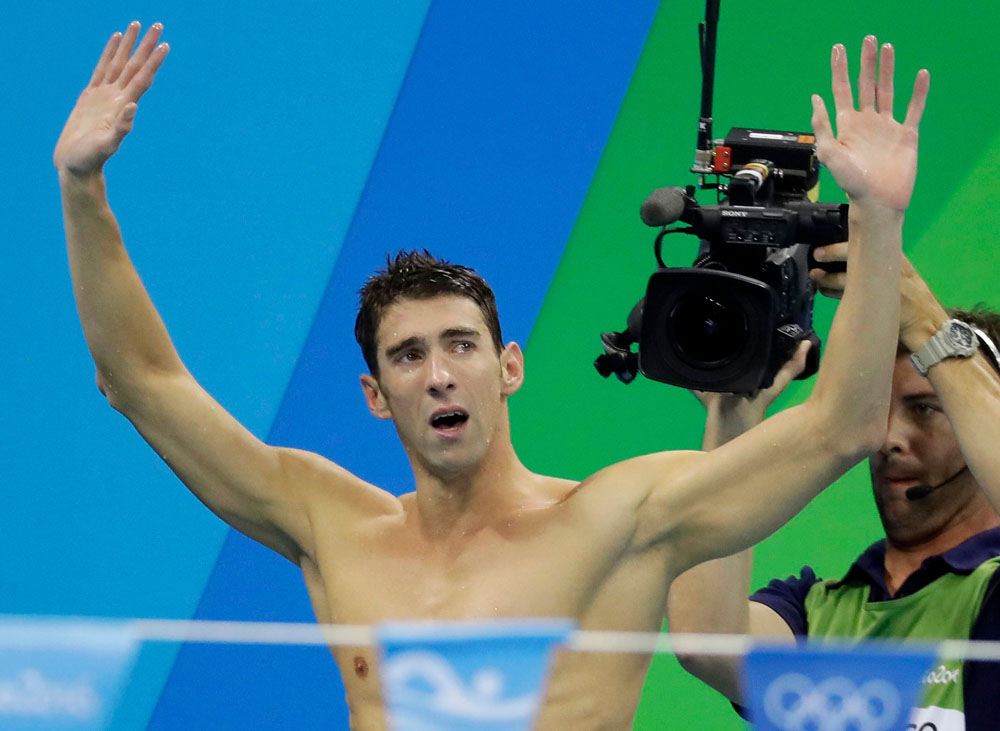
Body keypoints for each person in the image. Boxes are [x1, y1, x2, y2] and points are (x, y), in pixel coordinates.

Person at [55, 23, 928, 730]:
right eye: (408, 355)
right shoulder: (330, 524)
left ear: (508, 367)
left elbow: (839, 426)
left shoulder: (620, 519)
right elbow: (141, 380)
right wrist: (81, 186)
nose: (440, 374)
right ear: (374, 395)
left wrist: (879, 217)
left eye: (462, 345)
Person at [667, 255, 1000, 728]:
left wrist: (926, 324)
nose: (887, 439)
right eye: (877, 412)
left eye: (926, 409)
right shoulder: (816, 612)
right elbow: (708, 644)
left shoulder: (991, 590)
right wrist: (731, 421)